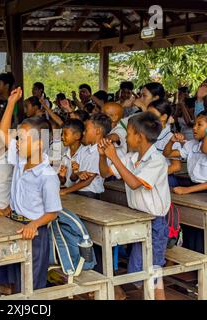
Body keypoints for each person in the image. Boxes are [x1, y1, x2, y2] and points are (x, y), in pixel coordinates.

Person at [0, 87, 61, 293]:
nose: (16, 143)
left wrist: (35, 224)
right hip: (16, 227)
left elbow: (53, 212)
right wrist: (11, 103)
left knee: (31, 286)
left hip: (35, 234)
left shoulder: (47, 175)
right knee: (19, 282)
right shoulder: (21, 161)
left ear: (38, 144)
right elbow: (1, 136)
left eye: (21, 139)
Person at [99, 112, 170, 300]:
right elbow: (105, 173)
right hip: (138, 221)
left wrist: (113, 157)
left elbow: (134, 183)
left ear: (139, 136)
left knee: (153, 272)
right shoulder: (131, 158)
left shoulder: (157, 160)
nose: (125, 138)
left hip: (155, 223)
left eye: (128, 133)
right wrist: (102, 156)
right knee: (141, 271)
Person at [59, 113, 112, 198]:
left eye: (86, 130)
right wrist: (76, 173)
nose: (83, 133)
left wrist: (65, 191)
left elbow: (87, 181)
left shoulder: (102, 152)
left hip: (91, 194)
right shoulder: (83, 150)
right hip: (77, 191)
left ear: (98, 131)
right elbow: (73, 178)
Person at [164, 111, 207, 195]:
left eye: (199, 124)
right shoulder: (192, 144)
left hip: (203, 189)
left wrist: (187, 190)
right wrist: (171, 142)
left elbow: (204, 149)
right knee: (167, 179)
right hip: (193, 184)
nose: (194, 127)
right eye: (194, 124)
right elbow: (167, 154)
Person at [147, 99, 181, 186]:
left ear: (164, 117)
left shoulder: (171, 138)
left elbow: (176, 166)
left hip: (165, 179)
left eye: (151, 114)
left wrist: (153, 175)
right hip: (146, 177)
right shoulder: (146, 134)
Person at [58, 119, 85, 191]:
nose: (62, 137)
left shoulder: (85, 154)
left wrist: (75, 173)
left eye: (65, 134)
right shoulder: (65, 154)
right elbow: (62, 181)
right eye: (62, 134)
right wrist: (61, 176)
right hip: (67, 191)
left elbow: (75, 179)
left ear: (77, 136)